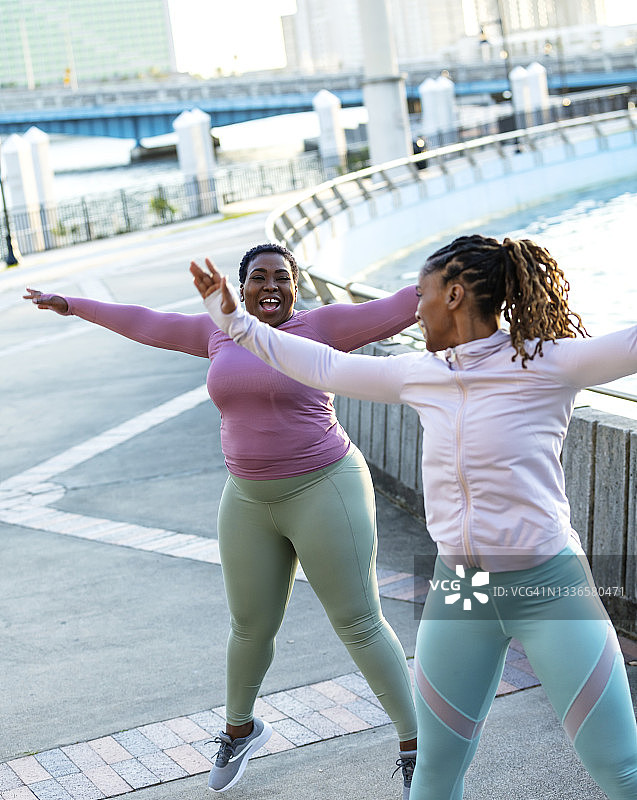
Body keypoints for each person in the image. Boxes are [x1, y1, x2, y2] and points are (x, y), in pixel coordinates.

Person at [193, 234, 637, 800]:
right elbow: (324, 365)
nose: (414, 307)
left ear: (453, 297)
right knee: (432, 776)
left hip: (547, 586)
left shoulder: (548, 363)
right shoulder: (423, 373)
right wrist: (236, 323)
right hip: (463, 591)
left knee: (619, 770)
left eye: (421, 294)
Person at [24, 242, 419, 798]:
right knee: (249, 626)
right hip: (248, 498)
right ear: (240, 286)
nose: (271, 286)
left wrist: (473, 264)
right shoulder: (217, 331)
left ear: (296, 286)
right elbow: (146, 321)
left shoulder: (322, 326)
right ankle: (240, 729)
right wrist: (73, 305)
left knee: (357, 621)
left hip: (325, 486)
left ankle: (415, 744)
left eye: (282, 277)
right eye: (259, 277)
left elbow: (409, 302)